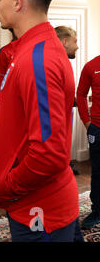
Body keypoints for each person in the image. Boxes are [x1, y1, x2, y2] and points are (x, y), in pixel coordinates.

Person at [0, 0, 80, 242]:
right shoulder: (34, 50)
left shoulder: (37, 58)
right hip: (37, 205)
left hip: (40, 212)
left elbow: (48, 154)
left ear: (17, 2)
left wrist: (6, 187)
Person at [76, 55, 100, 229]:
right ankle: (97, 211)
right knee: (98, 172)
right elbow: (81, 94)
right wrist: (87, 122)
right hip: (97, 128)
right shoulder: (91, 66)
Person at [55, 26, 80, 175]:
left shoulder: (63, 62)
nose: (77, 46)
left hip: (66, 116)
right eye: (75, 41)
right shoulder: (56, 63)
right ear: (65, 41)